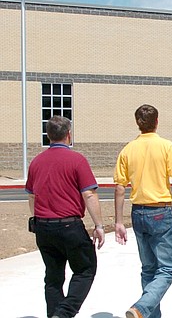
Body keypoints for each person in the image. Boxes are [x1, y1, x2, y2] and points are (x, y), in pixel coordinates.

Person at [114, 104, 172, 318]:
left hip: (138, 212)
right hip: (160, 212)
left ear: (137, 123)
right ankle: (141, 308)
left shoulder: (128, 149)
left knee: (149, 269)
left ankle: (147, 314)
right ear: (157, 122)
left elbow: (120, 188)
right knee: (167, 269)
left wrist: (119, 222)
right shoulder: (166, 146)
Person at [25, 115, 105, 318]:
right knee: (85, 269)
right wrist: (99, 225)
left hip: (43, 227)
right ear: (69, 135)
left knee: (53, 277)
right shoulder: (77, 160)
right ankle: (64, 313)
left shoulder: (36, 162)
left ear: (48, 135)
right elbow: (89, 193)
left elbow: (32, 196)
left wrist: (37, 217)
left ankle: (54, 313)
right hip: (69, 227)